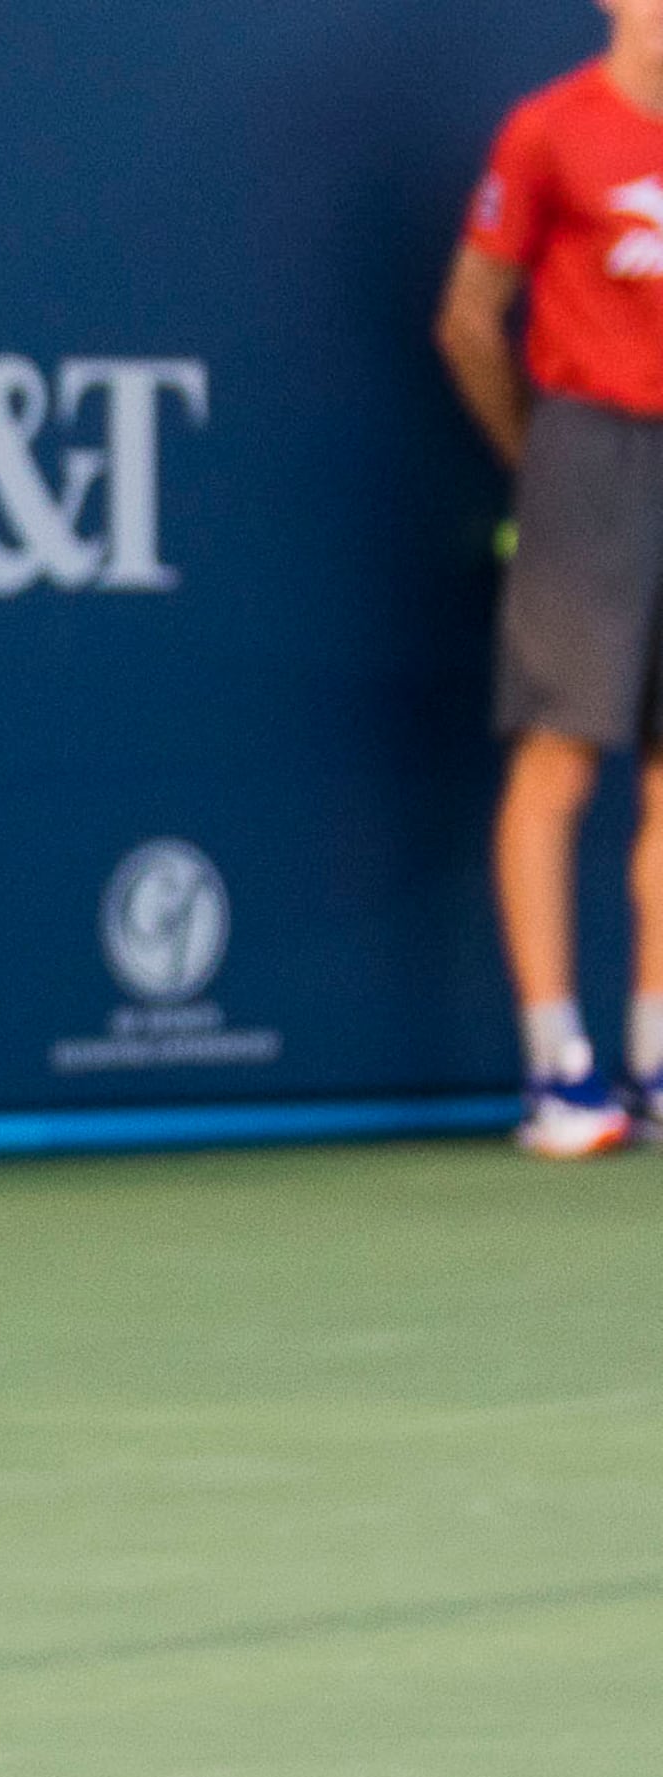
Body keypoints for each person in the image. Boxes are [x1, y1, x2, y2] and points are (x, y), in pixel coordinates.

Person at [438, 0, 663, 1158]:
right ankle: (555, 1069)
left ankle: (656, 1059)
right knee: (561, 757)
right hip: (586, 449)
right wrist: (543, 457)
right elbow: (469, 317)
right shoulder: (550, 130)